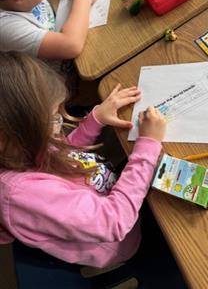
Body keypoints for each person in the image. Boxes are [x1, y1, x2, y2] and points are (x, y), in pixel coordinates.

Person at [0, 52, 166, 268]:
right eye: (52, 118)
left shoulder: (22, 147)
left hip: (121, 197)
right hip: (125, 238)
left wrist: (95, 120)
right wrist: (148, 145)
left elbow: (61, 153)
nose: (58, 124)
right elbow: (114, 221)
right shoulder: (21, 195)